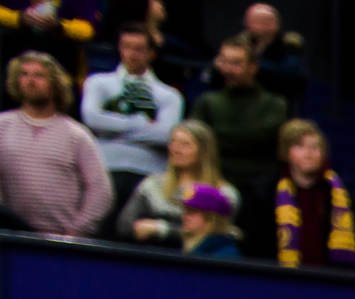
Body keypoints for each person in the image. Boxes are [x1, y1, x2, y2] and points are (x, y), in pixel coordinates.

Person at [191, 35, 285, 257]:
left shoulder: (274, 105)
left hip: (258, 191)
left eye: (236, 63)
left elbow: (262, 139)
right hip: (216, 181)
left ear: (253, 67)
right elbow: (199, 140)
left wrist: (218, 136)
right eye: (224, 62)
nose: (228, 69)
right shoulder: (207, 102)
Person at [79, 22, 180, 221]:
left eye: (139, 49)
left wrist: (111, 127)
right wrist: (141, 123)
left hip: (148, 173)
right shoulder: (98, 83)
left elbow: (165, 134)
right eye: (126, 47)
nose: (131, 54)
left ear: (151, 53)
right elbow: (92, 119)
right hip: (104, 167)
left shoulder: (169, 95)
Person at [0, 51, 110, 235]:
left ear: (55, 83)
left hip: (59, 240)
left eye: (39, 75)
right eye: (24, 74)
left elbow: (100, 191)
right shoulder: (2, 126)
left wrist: (76, 231)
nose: (30, 81)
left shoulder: (76, 135)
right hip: (10, 237)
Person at [116, 119, 238, 245]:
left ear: (203, 151)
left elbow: (223, 234)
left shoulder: (224, 194)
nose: (175, 149)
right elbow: (125, 226)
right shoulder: (153, 185)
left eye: (185, 144)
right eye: (173, 142)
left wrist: (162, 230)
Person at [273, 118, 355, 268]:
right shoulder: (269, 193)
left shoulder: (336, 192)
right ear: (285, 152)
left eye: (315, 147)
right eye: (300, 146)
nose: (309, 153)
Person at [239, 2, 304, 110]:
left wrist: (251, 67)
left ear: (275, 24)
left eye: (264, 22)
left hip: (277, 102)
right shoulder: (240, 42)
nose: (260, 26)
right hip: (241, 101)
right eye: (252, 21)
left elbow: (292, 76)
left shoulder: (289, 45)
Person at [178, 180, 239, 255]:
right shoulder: (196, 248)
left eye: (192, 211)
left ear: (212, 218)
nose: (184, 216)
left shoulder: (225, 254)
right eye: (185, 210)